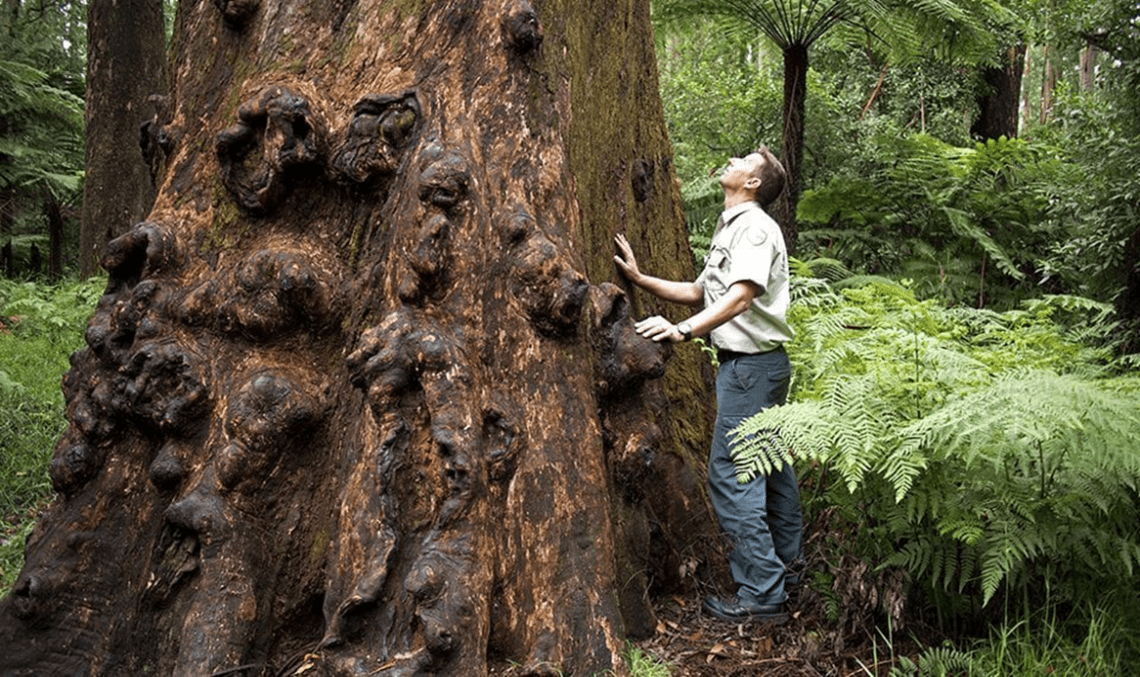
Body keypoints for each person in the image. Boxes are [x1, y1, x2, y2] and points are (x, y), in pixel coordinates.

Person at [613, 146, 802, 624]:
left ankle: (762, 594)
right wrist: (640, 278)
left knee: (734, 474)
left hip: (751, 370)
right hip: (754, 369)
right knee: (772, 470)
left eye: (744, 161)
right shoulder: (734, 226)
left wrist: (683, 331)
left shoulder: (757, 229)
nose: (733, 162)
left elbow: (741, 297)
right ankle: (788, 570)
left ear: (754, 183)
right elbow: (702, 291)